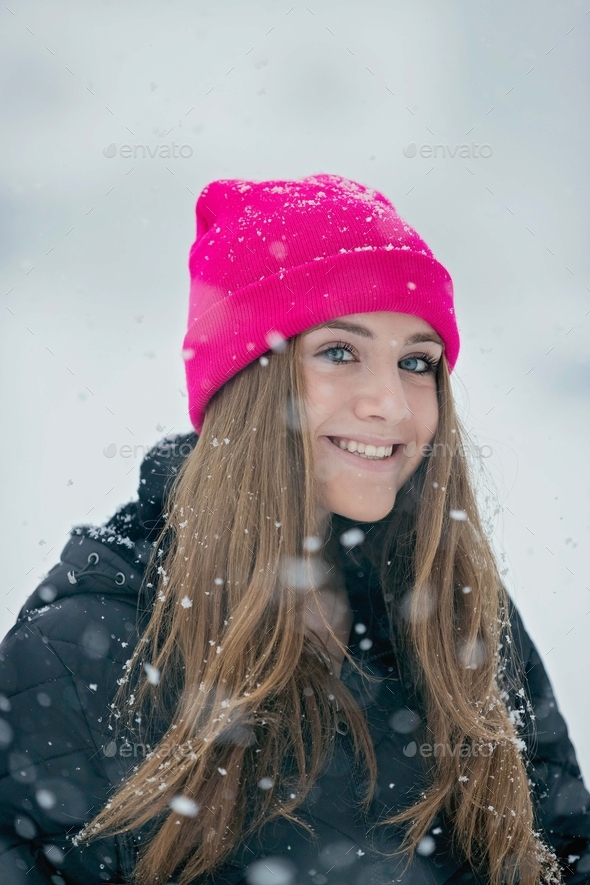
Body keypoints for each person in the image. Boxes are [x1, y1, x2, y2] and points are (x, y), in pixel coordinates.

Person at [0, 174, 588, 885]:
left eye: (416, 362)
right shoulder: (79, 653)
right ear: (248, 383)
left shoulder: (460, 610)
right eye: (340, 352)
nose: (391, 404)